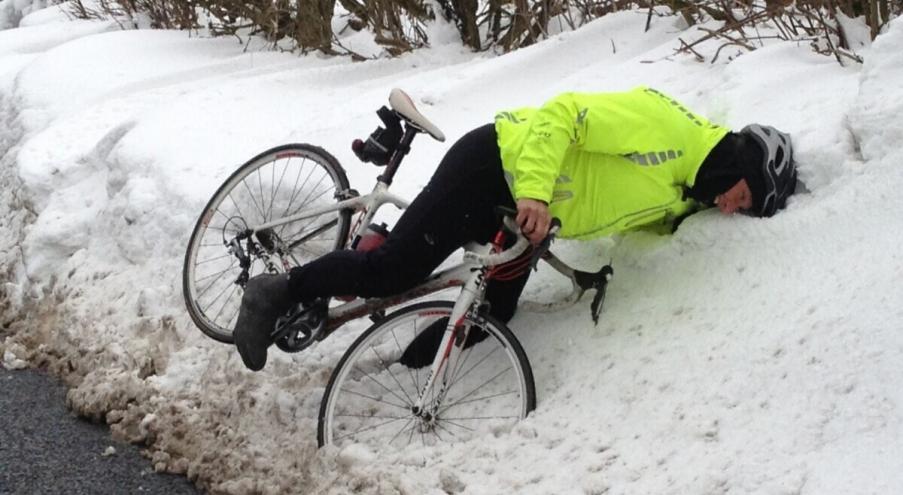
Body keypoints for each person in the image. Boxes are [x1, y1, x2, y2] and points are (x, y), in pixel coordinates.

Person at [232, 86, 798, 371]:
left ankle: (400, 367)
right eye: (741, 196)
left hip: (523, 219)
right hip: (494, 167)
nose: (730, 208)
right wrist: (534, 191)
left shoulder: (687, 191)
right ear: (739, 164)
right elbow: (562, 115)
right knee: (390, 272)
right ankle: (276, 292)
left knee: (495, 312)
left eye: (742, 210)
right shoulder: (668, 127)